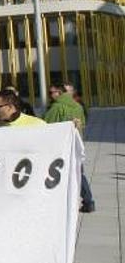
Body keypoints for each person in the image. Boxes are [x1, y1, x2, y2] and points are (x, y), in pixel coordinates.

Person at [44, 83, 94, 213]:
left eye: (51, 93)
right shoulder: (78, 106)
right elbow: (82, 123)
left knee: (56, 174)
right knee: (78, 173)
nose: (50, 96)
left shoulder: (56, 107)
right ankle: (89, 201)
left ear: (59, 93)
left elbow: (46, 125)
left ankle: (60, 203)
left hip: (60, 147)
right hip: (75, 145)